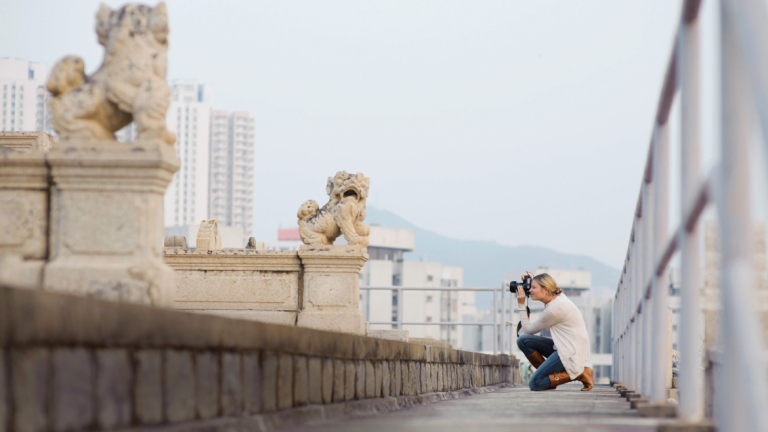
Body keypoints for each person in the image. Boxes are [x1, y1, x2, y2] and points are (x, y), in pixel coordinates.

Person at [515, 272, 593, 391]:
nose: (530, 290)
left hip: (569, 352)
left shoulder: (554, 309)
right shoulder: (558, 297)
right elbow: (546, 286)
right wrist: (535, 279)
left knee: (535, 384)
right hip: (565, 346)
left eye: (533, 287)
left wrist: (521, 304)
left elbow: (528, 330)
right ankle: (548, 378)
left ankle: (581, 374)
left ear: (545, 289)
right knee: (523, 341)